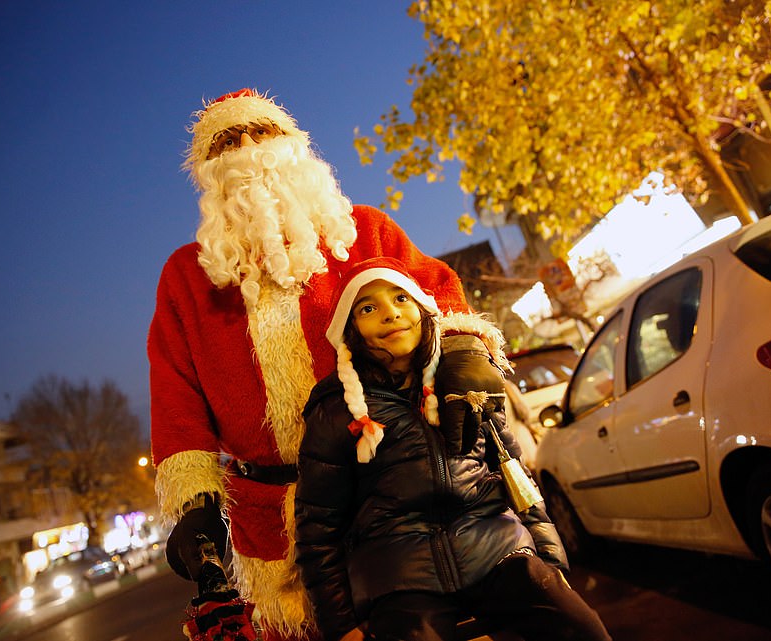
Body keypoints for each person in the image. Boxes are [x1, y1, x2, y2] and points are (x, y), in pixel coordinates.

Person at [148, 89, 489, 640]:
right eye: (228, 141)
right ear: (207, 172)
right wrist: (195, 503)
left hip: (385, 493)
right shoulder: (187, 277)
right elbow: (175, 397)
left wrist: (462, 354)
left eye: (262, 132)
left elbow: (436, 296)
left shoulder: (365, 231)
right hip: (269, 529)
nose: (248, 150)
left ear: (293, 145)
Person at [295, 258, 612, 641]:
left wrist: (549, 562)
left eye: (400, 298)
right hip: (400, 577)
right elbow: (318, 529)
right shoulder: (335, 408)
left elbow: (518, 478)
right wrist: (341, 624)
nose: (390, 313)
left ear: (423, 309)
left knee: (584, 630)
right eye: (368, 308)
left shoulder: (464, 381)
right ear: (351, 330)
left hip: (497, 552)